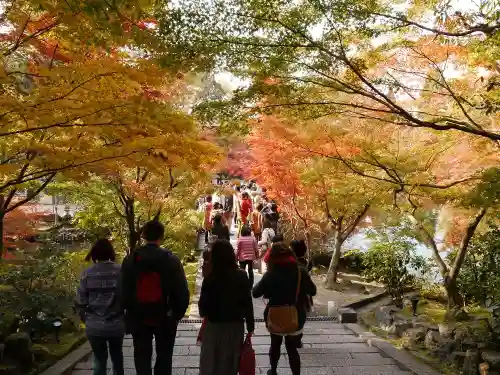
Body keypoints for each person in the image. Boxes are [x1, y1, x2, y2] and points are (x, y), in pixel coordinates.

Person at [121, 220, 190, 375]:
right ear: (161, 236)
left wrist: (127, 313)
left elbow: (123, 289)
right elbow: (182, 292)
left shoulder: (131, 259)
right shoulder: (171, 260)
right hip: (165, 316)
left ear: (143, 235)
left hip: (139, 316)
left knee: (141, 356)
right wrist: (176, 315)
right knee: (164, 357)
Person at [252, 244, 317, 375]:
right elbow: (313, 291)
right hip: (297, 315)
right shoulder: (301, 271)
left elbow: (255, 293)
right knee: (292, 348)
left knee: (275, 344)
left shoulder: (271, 274)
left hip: (275, 315)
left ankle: (274, 371)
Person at [198, 240, 255, 375]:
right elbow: (248, 303)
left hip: (214, 326)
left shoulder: (210, 278)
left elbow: (202, 310)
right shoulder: (241, 275)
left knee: (211, 363)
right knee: (230, 364)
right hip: (235, 327)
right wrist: (250, 326)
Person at [75, 239, 125, 375]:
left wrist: (86, 320)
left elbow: (80, 301)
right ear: (111, 252)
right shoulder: (121, 271)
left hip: (94, 326)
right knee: (117, 358)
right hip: (116, 325)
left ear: (94, 254)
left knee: (100, 361)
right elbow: (127, 298)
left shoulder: (87, 273)